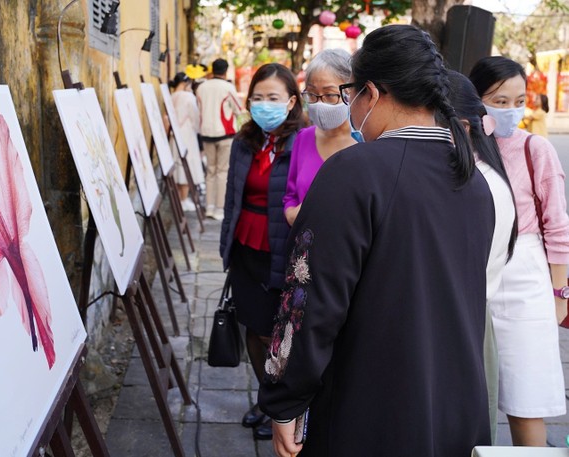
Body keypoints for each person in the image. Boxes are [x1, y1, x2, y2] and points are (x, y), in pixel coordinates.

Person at [259, 25, 495, 457]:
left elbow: (309, 302)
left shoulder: (355, 172)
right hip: (457, 404)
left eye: (349, 95)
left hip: (372, 408)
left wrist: (284, 401)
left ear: (370, 92)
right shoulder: (473, 180)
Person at [470, 56, 568, 447]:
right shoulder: (460, 148)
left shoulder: (535, 149)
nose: (511, 110)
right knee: (469, 394)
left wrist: (559, 295)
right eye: (499, 100)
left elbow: (558, 227)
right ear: (476, 101)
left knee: (526, 400)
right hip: (473, 274)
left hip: (525, 279)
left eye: (518, 100)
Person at [219, 63, 305, 441]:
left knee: (280, 334)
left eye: (273, 98)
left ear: (290, 102)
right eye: (258, 97)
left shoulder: (304, 141)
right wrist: (226, 246)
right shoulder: (244, 141)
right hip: (245, 248)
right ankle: (266, 398)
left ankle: (283, 407)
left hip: (283, 251)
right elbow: (231, 197)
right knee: (254, 331)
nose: (264, 104)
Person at [446, 69, 518, 444]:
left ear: (460, 125)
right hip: (471, 319)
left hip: (455, 326)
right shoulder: (485, 176)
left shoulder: (472, 184)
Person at [284, 48, 356, 225]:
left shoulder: (366, 142)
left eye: (330, 95)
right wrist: (291, 214)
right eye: (312, 94)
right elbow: (291, 195)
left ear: (351, 93)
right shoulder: (304, 138)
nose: (319, 103)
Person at [198, 58, 243, 220]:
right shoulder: (228, 87)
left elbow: (199, 109)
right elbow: (238, 110)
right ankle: (219, 209)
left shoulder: (201, 87)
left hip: (206, 133)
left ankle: (208, 207)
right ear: (225, 71)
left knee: (210, 170)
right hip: (225, 134)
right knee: (222, 171)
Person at [169, 72, 205, 211]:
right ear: (185, 83)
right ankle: (183, 200)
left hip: (174, 134)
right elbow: (195, 116)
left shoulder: (171, 96)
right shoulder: (188, 96)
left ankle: (180, 199)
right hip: (187, 133)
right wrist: (197, 130)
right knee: (187, 164)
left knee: (177, 163)